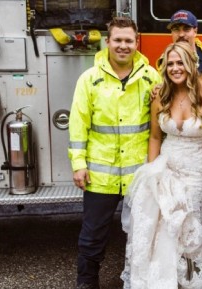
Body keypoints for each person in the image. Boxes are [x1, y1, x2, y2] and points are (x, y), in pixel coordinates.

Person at [68, 16, 162, 289]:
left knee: (142, 234)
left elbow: (158, 127)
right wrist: (78, 164)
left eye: (128, 41)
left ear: (137, 42)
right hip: (100, 175)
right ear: (108, 42)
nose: (123, 46)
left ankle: (140, 282)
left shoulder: (150, 77)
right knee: (93, 235)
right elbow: (78, 124)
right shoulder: (89, 79)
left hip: (138, 174)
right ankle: (86, 282)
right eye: (118, 40)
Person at [120, 41, 202, 288]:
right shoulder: (160, 94)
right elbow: (155, 137)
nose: (175, 68)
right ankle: (166, 280)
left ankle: (191, 280)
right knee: (162, 225)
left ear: (192, 64)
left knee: (188, 221)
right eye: (170, 63)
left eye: (180, 62)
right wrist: (152, 174)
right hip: (167, 166)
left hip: (196, 169)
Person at [157, 9, 202, 74]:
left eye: (186, 29)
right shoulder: (164, 61)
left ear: (195, 31)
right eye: (176, 29)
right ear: (171, 33)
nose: (181, 34)